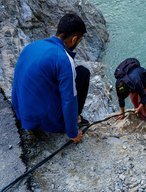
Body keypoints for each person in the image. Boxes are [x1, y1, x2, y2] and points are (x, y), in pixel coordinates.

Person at [12, 14, 90, 144]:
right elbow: (69, 100)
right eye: (79, 41)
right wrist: (73, 132)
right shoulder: (64, 59)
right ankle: (74, 118)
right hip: (44, 122)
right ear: (74, 39)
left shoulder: (31, 46)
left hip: (21, 113)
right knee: (82, 73)